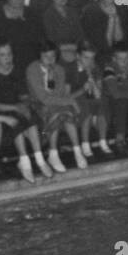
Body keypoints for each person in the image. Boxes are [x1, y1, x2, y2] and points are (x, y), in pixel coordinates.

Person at [0, 41, 54, 178]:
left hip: (18, 107)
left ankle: (40, 159)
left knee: (31, 120)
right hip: (0, 111)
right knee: (17, 121)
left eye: (9, 54)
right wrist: (15, 107)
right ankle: (25, 162)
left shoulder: (17, 70)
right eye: (2, 55)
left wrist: (25, 104)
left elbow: (23, 94)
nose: (7, 58)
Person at [26, 40, 85, 170]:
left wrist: (52, 78)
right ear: (39, 56)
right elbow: (43, 98)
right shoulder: (32, 69)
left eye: (53, 56)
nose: (50, 60)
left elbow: (60, 94)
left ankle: (77, 150)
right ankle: (53, 154)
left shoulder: (59, 69)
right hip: (37, 104)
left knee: (64, 111)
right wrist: (71, 101)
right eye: (46, 56)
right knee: (58, 111)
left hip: (56, 103)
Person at [102, 41, 128, 148]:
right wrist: (127, 81)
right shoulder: (109, 68)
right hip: (111, 98)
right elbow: (114, 91)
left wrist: (123, 81)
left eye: (126, 58)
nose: (124, 62)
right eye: (120, 59)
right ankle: (120, 137)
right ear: (114, 59)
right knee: (122, 103)